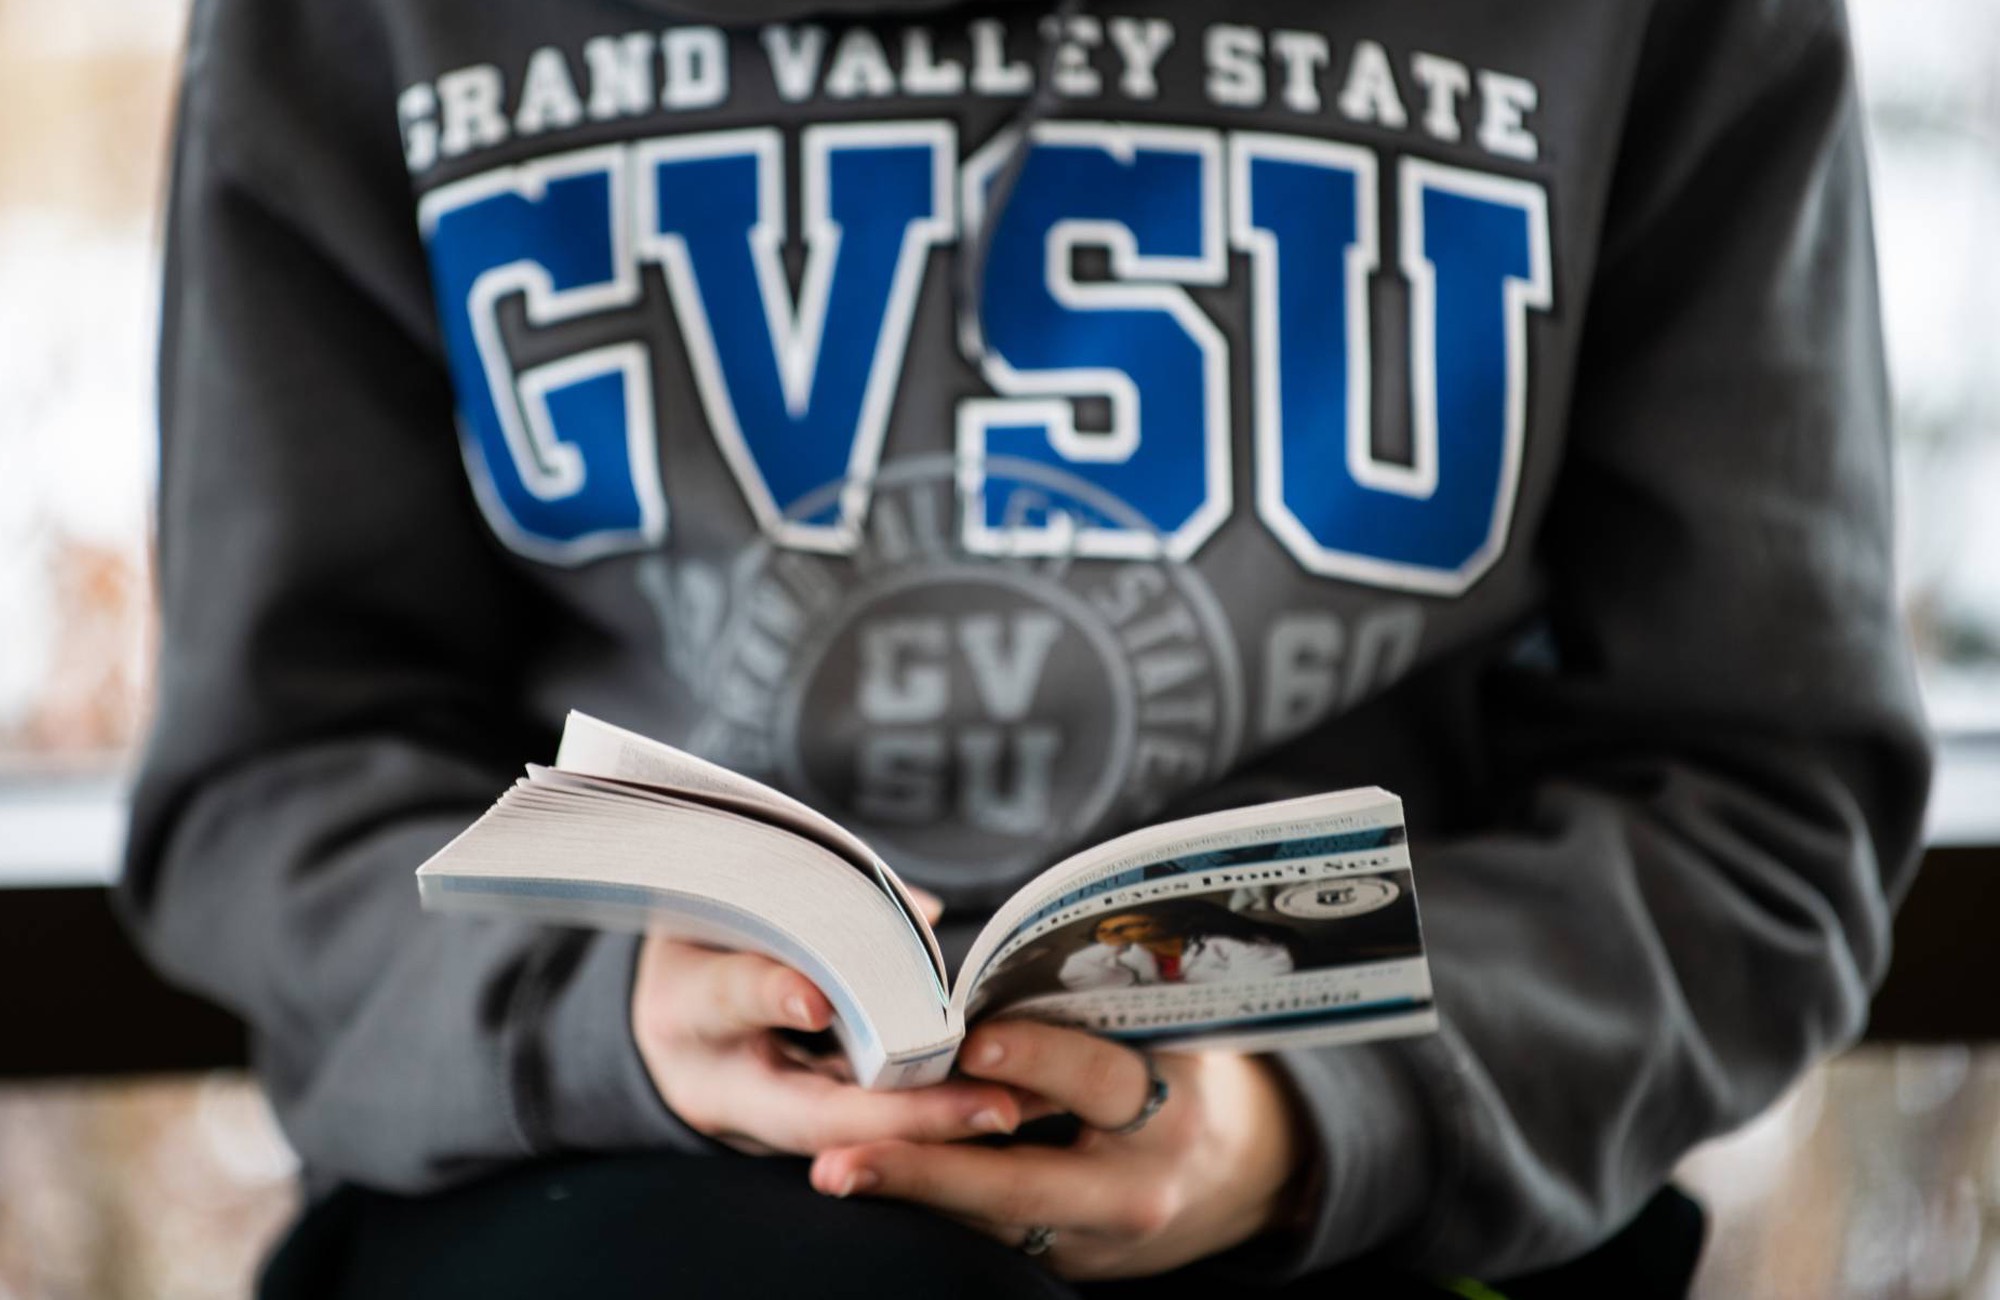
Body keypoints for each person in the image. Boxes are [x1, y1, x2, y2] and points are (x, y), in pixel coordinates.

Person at [121, 0, 1931, 1294]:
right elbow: (279, 780)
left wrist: (1307, 1123)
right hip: (598, 1170)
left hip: (1392, 1164)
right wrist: (596, 1016)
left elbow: (1752, 800)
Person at [1059, 905, 1297, 990]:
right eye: (1101, 934)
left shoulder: (1223, 945)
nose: (1111, 937)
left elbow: (1269, 974)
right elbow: (1074, 974)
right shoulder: (1124, 961)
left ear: (1159, 922)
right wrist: (1110, 944)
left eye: (1123, 928)